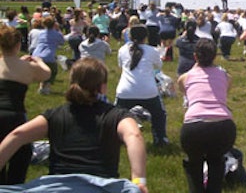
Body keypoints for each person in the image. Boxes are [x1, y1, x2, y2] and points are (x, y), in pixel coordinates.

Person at [0, 57, 148, 193]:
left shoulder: (54, 115)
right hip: (101, 186)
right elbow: (134, 135)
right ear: (103, 87)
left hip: (54, 187)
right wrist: (138, 180)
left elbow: (17, 135)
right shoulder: (116, 115)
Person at [178, 38, 236, 193]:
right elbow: (224, 92)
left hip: (193, 127)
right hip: (223, 125)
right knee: (216, 161)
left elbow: (186, 94)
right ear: (215, 56)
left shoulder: (185, 77)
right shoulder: (226, 76)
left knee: (194, 164)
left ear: (195, 56)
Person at [0, 25, 51, 184]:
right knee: (20, 159)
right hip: (16, 116)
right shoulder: (28, 67)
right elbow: (46, 74)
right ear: (18, 44)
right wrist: (39, 60)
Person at [115, 24, 168, 146]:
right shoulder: (152, 51)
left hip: (125, 91)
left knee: (117, 116)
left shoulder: (122, 50)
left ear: (130, 36)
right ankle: (160, 139)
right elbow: (159, 66)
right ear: (146, 37)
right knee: (159, 114)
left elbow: (120, 66)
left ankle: (117, 139)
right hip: (148, 92)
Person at [32, 16, 65, 95]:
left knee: (43, 72)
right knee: (53, 71)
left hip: (36, 54)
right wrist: (58, 30)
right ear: (54, 24)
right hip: (48, 55)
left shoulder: (41, 33)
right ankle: (46, 88)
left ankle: (41, 87)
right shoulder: (56, 34)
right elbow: (62, 42)